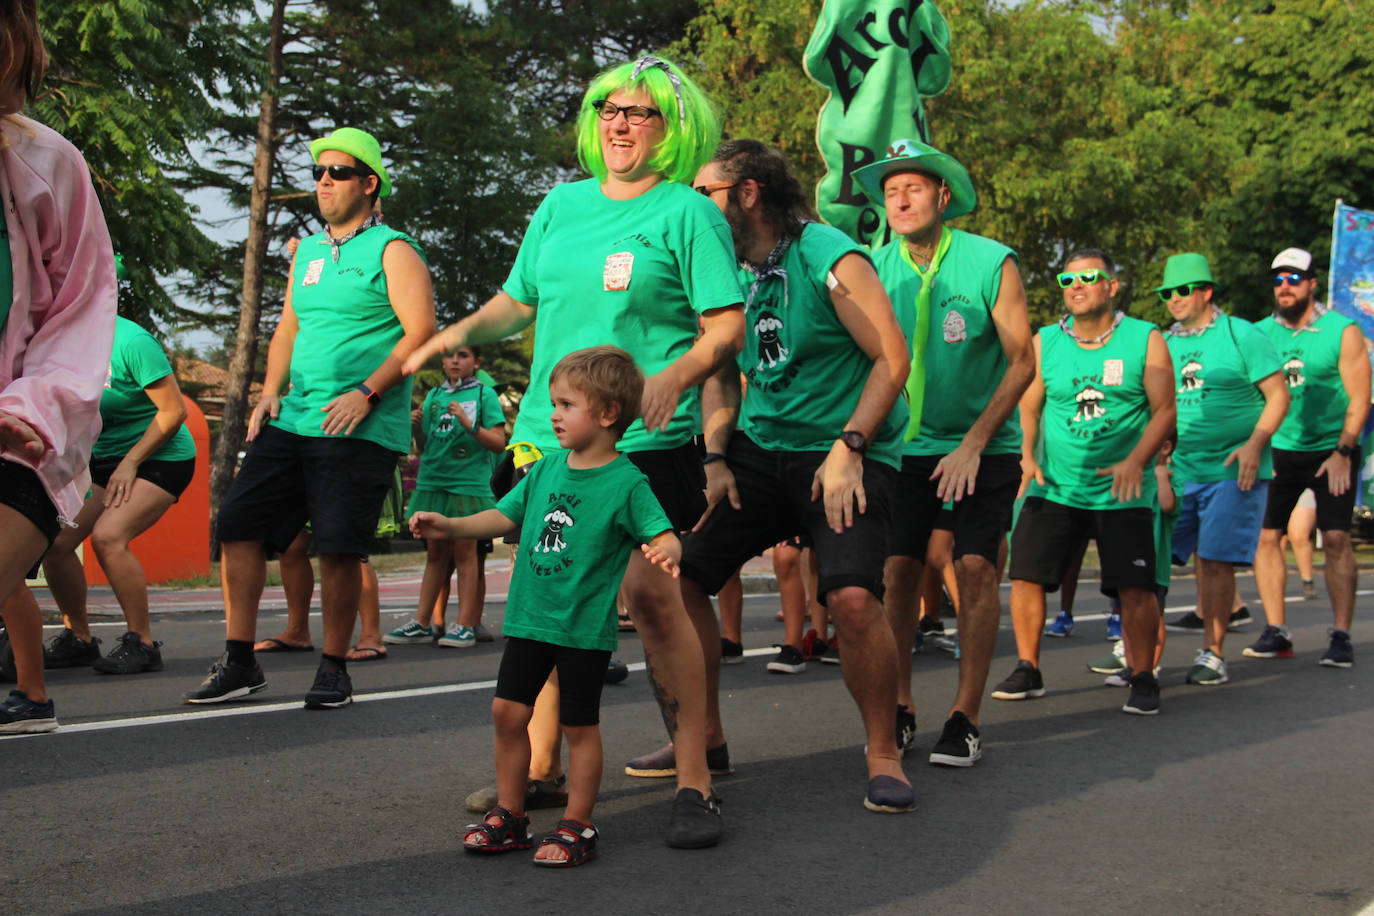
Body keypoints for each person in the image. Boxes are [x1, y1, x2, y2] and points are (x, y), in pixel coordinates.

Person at [403, 57, 743, 848]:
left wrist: (677, 375)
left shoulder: (686, 214)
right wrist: (455, 332)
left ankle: (695, 778)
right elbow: (518, 302)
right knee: (551, 594)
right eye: (608, 110)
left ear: (673, 128)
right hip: (546, 442)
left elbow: (724, 326)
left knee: (655, 602)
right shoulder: (559, 206)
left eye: (641, 113)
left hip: (645, 438)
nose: (621, 124)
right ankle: (544, 769)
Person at [677, 139, 915, 812]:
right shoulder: (724, 269)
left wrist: (850, 446)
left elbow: (892, 359)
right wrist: (718, 459)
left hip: (844, 450)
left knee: (852, 601)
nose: (692, 207)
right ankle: (705, 739)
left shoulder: (826, 254)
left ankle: (883, 750)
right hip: (761, 447)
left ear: (748, 193)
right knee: (683, 579)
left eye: (704, 194)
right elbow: (724, 371)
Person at [183, 126, 436, 708]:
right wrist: (269, 390)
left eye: (338, 173)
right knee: (239, 524)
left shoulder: (394, 250)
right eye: (318, 173)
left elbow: (422, 334)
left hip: (358, 424)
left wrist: (366, 394)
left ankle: (334, 666)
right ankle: (240, 661)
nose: (324, 182)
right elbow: (289, 327)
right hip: (295, 418)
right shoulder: (311, 252)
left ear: (368, 184)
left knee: (339, 548)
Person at [413, 346, 681, 866]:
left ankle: (577, 825)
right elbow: (501, 517)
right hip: (530, 620)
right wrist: (450, 526)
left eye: (565, 404)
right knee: (507, 712)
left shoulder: (628, 482)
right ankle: (511, 816)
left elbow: (663, 532)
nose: (553, 414)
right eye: (553, 403)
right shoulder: (546, 469)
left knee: (580, 726)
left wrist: (667, 548)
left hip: (581, 628)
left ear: (607, 414)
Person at [855, 139, 1034, 766]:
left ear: (942, 196)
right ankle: (900, 705)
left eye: (913, 188)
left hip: (981, 447)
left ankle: (965, 715)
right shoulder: (874, 268)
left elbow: (1022, 362)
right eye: (890, 191)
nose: (900, 200)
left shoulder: (992, 262)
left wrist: (974, 444)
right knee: (898, 574)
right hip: (902, 450)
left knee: (977, 569)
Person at [0, 0, 118, 732]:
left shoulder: (45, 164)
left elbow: (78, 320)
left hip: (21, 437)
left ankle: (41, 687)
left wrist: (30, 411)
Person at [996, 249, 1175, 715]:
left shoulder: (1145, 338)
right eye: (1067, 280)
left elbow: (1165, 411)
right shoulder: (1045, 342)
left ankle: (1142, 675)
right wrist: (1027, 456)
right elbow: (1029, 406)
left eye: (1089, 277)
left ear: (1111, 287)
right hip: (1056, 484)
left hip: (1123, 489)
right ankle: (1028, 667)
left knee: (1135, 588)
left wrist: (1137, 460)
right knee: (1026, 576)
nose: (1076, 286)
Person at [41, 309, 195, 674]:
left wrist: (130, 463)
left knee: (109, 537)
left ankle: (141, 642)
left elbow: (174, 412)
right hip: (102, 458)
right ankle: (78, 639)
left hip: (160, 455)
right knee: (55, 542)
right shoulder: (58, 340)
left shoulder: (131, 341)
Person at [1160, 252, 1288, 685]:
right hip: (1176, 470)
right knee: (1150, 552)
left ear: (1206, 291)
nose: (1173, 299)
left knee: (1214, 561)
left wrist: (1255, 444)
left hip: (1232, 469)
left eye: (1182, 290)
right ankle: (1139, 650)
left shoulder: (1241, 335)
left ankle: (1212, 653)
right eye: (1167, 293)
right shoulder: (1163, 342)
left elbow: (1278, 396)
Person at [1247, 247, 1370, 666]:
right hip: (1279, 448)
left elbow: (1360, 399)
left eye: (1294, 278)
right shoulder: (1259, 332)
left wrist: (1343, 451)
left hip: (1331, 449)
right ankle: (1277, 630)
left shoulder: (1342, 331)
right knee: (1267, 537)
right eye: (1278, 278)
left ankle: (1340, 635)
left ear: (1312, 283)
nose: (1285, 285)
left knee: (1335, 538)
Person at [391, 344, 506, 648]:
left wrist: (470, 425)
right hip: (433, 483)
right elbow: (428, 444)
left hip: (468, 484)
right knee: (435, 555)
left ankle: (466, 624)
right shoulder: (433, 397)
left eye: (464, 355)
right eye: (450, 356)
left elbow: (498, 442)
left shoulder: (485, 394)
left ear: (476, 362)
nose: (455, 361)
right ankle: (422, 622)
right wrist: (416, 429)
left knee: (466, 553)